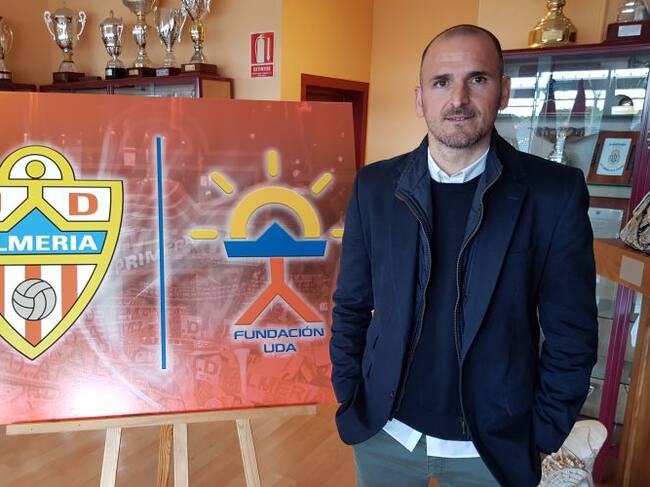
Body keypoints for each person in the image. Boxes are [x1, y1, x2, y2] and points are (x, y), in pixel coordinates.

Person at [330, 24, 598, 487]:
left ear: (503, 91)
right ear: (420, 99)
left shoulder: (554, 194)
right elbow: (351, 304)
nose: (458, 98)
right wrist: (349, 391)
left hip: (492, 448)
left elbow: (571, 333)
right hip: (385, 435)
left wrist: (543, 431)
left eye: (477, 79)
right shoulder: (374, 187)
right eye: (441, 82)